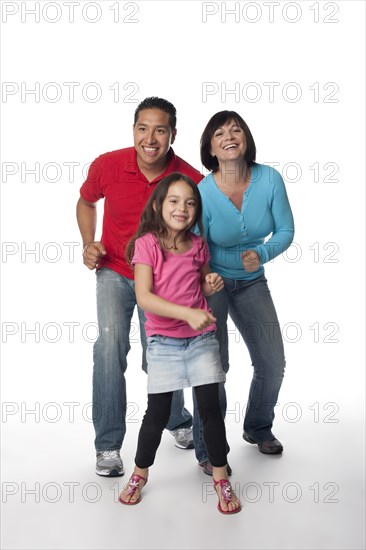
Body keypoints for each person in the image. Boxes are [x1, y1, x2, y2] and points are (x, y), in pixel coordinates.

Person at [77, 97, 204, 477]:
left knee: (163, 351)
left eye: (160, 130)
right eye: (142, 128)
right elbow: (85, 202)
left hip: (162, 277)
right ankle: (108, 446)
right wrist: (88, 243)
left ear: (173, 135)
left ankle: (176, 418)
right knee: (110, 344)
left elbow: (200, 232)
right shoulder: (108, 165)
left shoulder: (189, 179)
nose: (150, 138)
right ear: (133, 130)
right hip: (115, 269)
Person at [118, 173, 241, 514]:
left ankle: (220, 477)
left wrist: (210, 284)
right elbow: (144, 298)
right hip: (163, 344)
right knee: (157, 414)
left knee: (209, 410)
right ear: (158, 205)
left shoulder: (198, 245)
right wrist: (187, 313)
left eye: (189, 202)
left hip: (200, 340)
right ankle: (140, 473)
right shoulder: (147, 243)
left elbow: (197, 286)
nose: (182, 208)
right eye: (173, 200)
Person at [194, 110, 294, 473]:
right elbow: (196, 244)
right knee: (214, 366)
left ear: (246, 138)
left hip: (253, 281)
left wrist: (262, 253)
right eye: (219, 133)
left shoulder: (269, 179)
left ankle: (257, 427)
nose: (229, 136)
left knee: (272, 362)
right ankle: (208, 449)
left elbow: (285, 229)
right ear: (211, 147)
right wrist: (206, 275)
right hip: (213, 283)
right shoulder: (202, 191)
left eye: (236, 129)